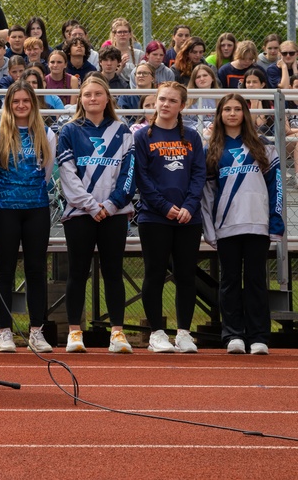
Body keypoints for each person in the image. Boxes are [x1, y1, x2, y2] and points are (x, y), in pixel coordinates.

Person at [57, 76, 136, 353]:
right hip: (80, 214)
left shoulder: (123, 131)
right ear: (80, 98)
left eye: (98, 94)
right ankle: (74, 333)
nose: (92, 98)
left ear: (107, 98)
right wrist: (91, 206)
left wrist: (111, 206)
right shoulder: (69, 131)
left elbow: (129, 176)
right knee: (77, 272)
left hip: (114, 213)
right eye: (87, 94)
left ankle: (117, 333)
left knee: (113, 271)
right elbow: (67, 175)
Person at [201, 94, 283, 355]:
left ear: (245, 114)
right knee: (230, 281)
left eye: (238, 109)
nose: (233, 113)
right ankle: (233, 334)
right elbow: (208, 193)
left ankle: (259, 336)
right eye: (227, 109)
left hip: (258, 224)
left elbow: (276, 187)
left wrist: (275, 221)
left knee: (257, 280)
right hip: (227, 225)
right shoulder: (212, 150)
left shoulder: (264, 146)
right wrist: (209, 228)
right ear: (220, 114)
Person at [134, 82, 206, 354]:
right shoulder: (142, 137)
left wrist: (189, 205)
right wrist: (164, 206)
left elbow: (199, 174)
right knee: (154, 273)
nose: (165, 104)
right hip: (155, 217)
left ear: (182, 105)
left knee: (186, 274)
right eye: (162, 99)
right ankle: (157, 333)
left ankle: (184, 333)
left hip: (189, 218)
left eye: (172, 100)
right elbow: (142, 177)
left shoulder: (192, 137)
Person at [0, 80, 56, 353]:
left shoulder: (46, 133)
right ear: (8, 104)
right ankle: (4, 332)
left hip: (36, 208)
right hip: (4, 208)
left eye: (25, 101)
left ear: (33, 104)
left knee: (36, 271)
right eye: (15, 101)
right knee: (4, 272)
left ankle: (36, 332)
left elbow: (48, 172)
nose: (20, 106)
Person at [185, 64, 220, 139]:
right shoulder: (187, 99)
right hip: (194, 132)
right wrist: (206, 125)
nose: (202, 78)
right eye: (198, 77)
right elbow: (185, 121)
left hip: (218, 131)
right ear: (194, 81)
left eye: (205, 75)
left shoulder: (220, 98)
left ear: (212, 78)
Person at [107, 18, 144, 83]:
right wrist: (121, 66)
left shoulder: (139, 54)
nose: (122, 34)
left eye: (125, 32)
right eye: (119, 32)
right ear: (114, 35)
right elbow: (107, 77)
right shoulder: (108, 54)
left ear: (130, 34)